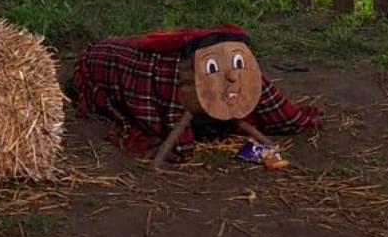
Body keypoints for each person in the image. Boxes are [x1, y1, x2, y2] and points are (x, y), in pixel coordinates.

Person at [68, 25, 322, 163]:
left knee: (228, 69)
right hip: (100, 60)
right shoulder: (176, 84)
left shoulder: (240, 70)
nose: (233, 79)